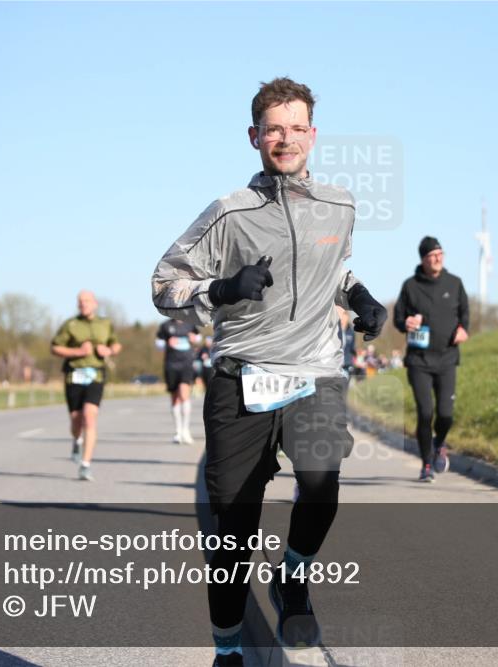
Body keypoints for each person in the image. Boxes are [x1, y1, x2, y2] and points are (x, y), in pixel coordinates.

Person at [152, 77, 386, 666]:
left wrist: (361, 298)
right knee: (233, 532)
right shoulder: (229, 213)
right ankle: (228, 649)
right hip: (242, 378)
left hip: (315, 373)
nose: (286, 139)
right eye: (274, 129)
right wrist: (222, 288)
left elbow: (335, 269)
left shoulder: (340, 204)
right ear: (254, 136)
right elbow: (164, 284)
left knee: (320, 482)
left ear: (314, 134)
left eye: (297, 128)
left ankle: (293, 572)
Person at [394, 237, 469, 482]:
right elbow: (398, 318)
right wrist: (406, 322)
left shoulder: (455, 283)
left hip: (447, 359)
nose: (438, 258)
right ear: (423, 259)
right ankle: (426, 464)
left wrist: (463, 329)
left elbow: (465, 314)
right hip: (419, 361)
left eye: (440, 254)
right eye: (432, 255)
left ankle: (440, 443)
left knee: (445, 414)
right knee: (425, 413)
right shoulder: (410, 286)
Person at [50, 290, 122, 481]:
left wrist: (109, 350)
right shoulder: (70, 324)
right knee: (76, 420)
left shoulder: (105, 323)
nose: (83, 304)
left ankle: (85, 465)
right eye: (80, 301)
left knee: (90, 417)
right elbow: (55, 347)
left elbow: (116, 345)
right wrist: (77, 352)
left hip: (96, 375)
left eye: (87, 301)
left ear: (95, 303)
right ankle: (76, 439)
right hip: (74, 375)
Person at [157, 318, 200, 443]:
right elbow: (158, 343)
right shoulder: (166, 325)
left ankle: (186, 430)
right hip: (171, 364)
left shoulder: (190, 323)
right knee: (175, 397)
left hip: (186, 363)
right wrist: (167, 342)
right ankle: (178, 431)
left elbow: (198, 337)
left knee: (184, 394)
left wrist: (194, 339)